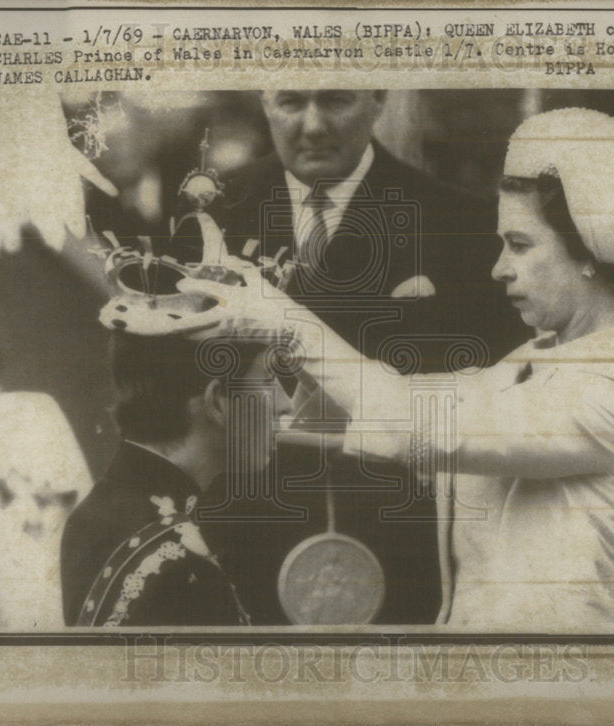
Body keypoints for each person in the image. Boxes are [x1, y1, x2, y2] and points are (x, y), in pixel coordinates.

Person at [217, 107, 614, 631]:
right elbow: (390, 406)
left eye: (520, 245)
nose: (498, 268)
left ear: (587, 252)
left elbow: (421, 422)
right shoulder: (534, 361)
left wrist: (287, 322)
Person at [213, 89, 529, 625]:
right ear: (263, 101)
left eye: (335, 100)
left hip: (398, 542)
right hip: (253, 531)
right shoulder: (216, 212)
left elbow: (491, 397)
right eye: (291, 101)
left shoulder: (458, 223)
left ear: (378, 98)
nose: (313, 125)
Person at [60, 251, 291, 627]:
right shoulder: (179, 559)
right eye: (268, 381)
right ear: (217, 402)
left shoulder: (91, 517)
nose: (286, 402)